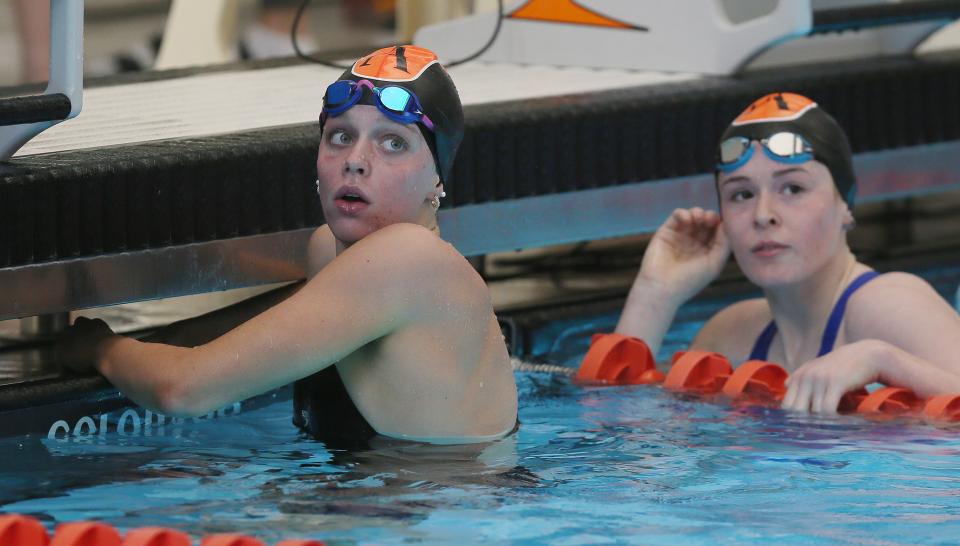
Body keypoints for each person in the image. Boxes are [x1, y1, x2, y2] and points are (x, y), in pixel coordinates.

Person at [60, 45, 518, 445]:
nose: (355, 162)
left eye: (393, 143)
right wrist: (150, 343)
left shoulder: (406, 258)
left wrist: (99, 347)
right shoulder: (336, 253)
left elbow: (182, 390)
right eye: (340, 136)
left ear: (437, 176)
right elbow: (268, 326)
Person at [616, 92, 960, 413]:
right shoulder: (732, 335)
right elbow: (619, 438)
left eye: (793, 188)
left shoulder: (889, 305)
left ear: (846, 204)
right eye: (741, 194)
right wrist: (655, 294)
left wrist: (882, 359)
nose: (763, 214)